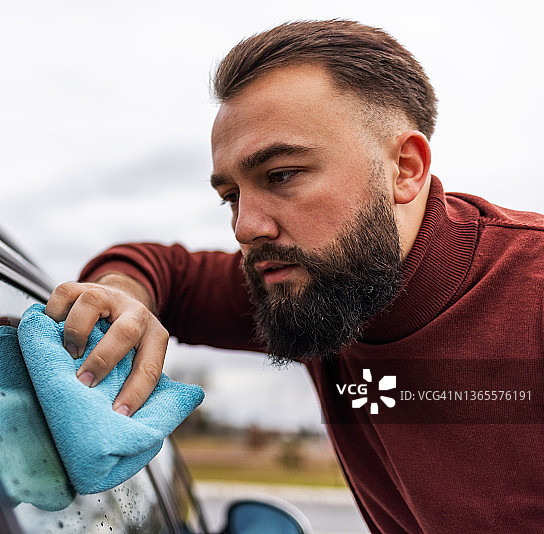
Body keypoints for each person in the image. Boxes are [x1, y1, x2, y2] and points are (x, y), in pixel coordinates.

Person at [44, 20, 544, 532]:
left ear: (405, 169)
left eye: (281, 175)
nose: (244, 228)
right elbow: (168, 273)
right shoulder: (320, 284)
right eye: (231, 197)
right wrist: (121, 297)